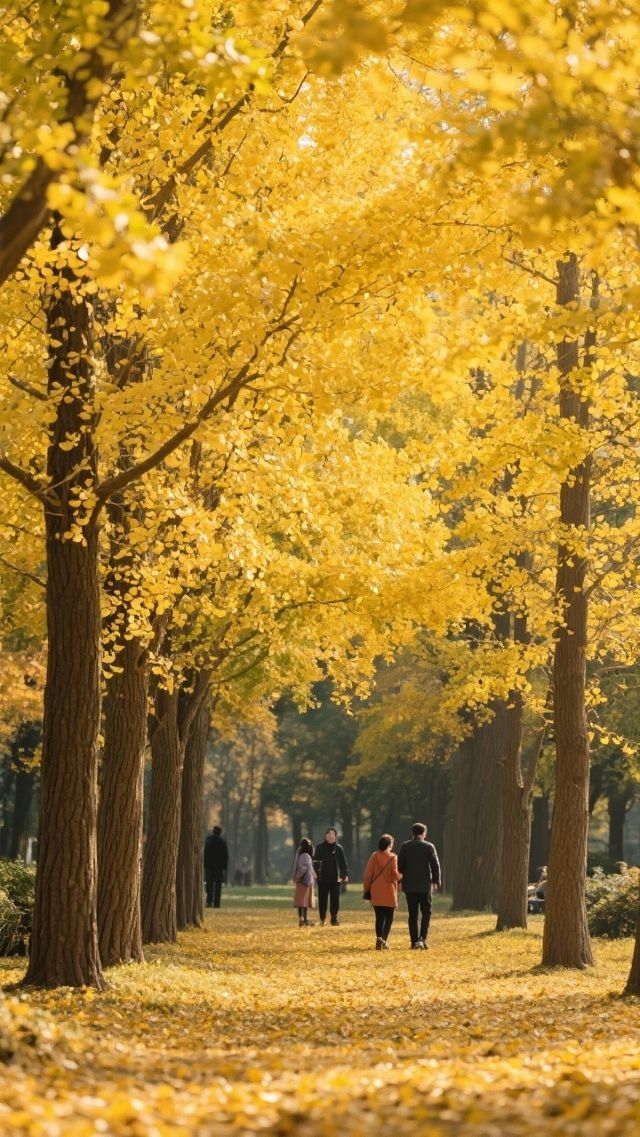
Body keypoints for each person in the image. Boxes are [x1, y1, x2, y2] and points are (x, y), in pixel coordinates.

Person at [397, 822, 441, 949]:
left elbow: (400, 866)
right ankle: (423, 938)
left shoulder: (405, 846)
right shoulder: (429, 846)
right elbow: (435, 865)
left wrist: (401, 881)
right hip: (424, 886)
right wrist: (436, 881)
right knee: (426, 913)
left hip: (409, 886)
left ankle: (414, 942)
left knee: (413, 914)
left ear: (413, 833)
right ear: (424, 833)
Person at [362, 833, 402, 950]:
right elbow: (394, 875)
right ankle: (384, 940)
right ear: (390, 845)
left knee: (379, 918)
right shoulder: (393, 857)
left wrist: (367, 889)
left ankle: (378, 940)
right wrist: (401, 875)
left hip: (376, 891)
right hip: (389, 891)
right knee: (389, 919)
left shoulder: (374, 856)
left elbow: (368, 875)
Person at [313, 827, 349, 926]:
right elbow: (315, 862)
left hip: (335, 879)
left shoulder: (339, 848)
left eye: (333, 834)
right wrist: (316, 874)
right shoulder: (319, 847)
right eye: (329, 834)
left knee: (335, 900)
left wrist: (344, 875)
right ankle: (323, 919)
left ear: (335, 836)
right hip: (322, 879)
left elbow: (343, 864)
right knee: (322, 900)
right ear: (326, 836)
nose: (331, 836)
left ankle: (334, 918)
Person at [203, 825, 229, 908]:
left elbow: (205, 853)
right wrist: (224, 867)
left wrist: (204, 865)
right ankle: (217, 903)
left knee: (209, 885)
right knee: (218, 886)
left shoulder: (208, 841)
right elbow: (225, 856)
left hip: (209, 867)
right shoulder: (222, 842)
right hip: (219, 868)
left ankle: (209, 901)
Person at [292, 838, 316, 926]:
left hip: (301, 881)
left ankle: (301, 919)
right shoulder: (306, 856)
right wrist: (300, 876)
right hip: (305, 882)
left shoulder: (300, 854)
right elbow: (304, 868)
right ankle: (304, 919)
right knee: (304, 902)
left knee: (301, 902)